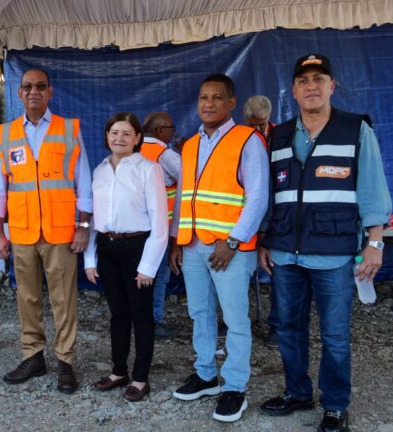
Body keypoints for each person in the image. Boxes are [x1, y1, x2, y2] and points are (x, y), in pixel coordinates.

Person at [259, 54, 391, 432]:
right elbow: (273, 192)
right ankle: (297, 391)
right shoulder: (279, 134)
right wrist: (267, 238)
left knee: (334, 335)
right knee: (288, 328)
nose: (311, 86)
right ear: (294, 91)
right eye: (303, 81)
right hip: (285, 253)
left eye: (319, 79)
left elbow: (371, 188)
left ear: (332, 86)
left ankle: (334, 405)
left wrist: (375, 243)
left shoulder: (355, 130)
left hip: (333, 255)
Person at [169, 74, 269, 423]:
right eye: (203, 98)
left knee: (235, 319)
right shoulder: (191, 144)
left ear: (230, 103)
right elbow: (185, 196)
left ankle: (235, 387)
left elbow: (257, 198)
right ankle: (207, 374)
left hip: (229, 249)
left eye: (216, 98)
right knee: (199, 313)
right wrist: (177, 241)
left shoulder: (248, 139)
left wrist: (233, 241)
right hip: (194, 244)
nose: (208, 104)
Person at [0, 68, 93, 394]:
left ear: (50, 93)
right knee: (27, 298)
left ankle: (65, 362)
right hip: (21, 232)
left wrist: (84, 227)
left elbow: (85, 183)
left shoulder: (68, 130)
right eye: (27, 87)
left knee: (64, 300)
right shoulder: (5, 134)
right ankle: (33, 356)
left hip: (61, 233)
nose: (33, 92)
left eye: (40, 87)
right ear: (19, 94)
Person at [84, 113, 168, 402]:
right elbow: (94, 220)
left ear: (137, 138)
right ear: (107, 135)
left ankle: (141, 378)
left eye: (126, 133)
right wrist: (90, 260)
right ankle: (118, 371)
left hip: (138, 248)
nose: (119, 138)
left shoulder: (149, 169)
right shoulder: (99, 171)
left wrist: (148, 267)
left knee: (141, 316)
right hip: (108, 249)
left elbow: (160, 222)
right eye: (114, 132)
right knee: (118, 314)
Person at [140, 112, 181, 339]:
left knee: (140, 273)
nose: (173, 132)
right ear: (160, 131)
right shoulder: (165, 154)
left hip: (137, 228)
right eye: (171, 128)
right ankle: (154, 322)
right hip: (160, 227)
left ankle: (140, 319)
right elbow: (189, 180)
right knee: (158, 276)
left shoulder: (132, 150)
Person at [242, 94, 279, 347]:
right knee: (237, 273)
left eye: (261, 124)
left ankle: (277, 325)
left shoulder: (281, 136)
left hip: (275, 214)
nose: (257, 129)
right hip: (243, 216)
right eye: (252, 124)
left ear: (269, 118)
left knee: (278, 272)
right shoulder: (237, 138)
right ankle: (236, 321)